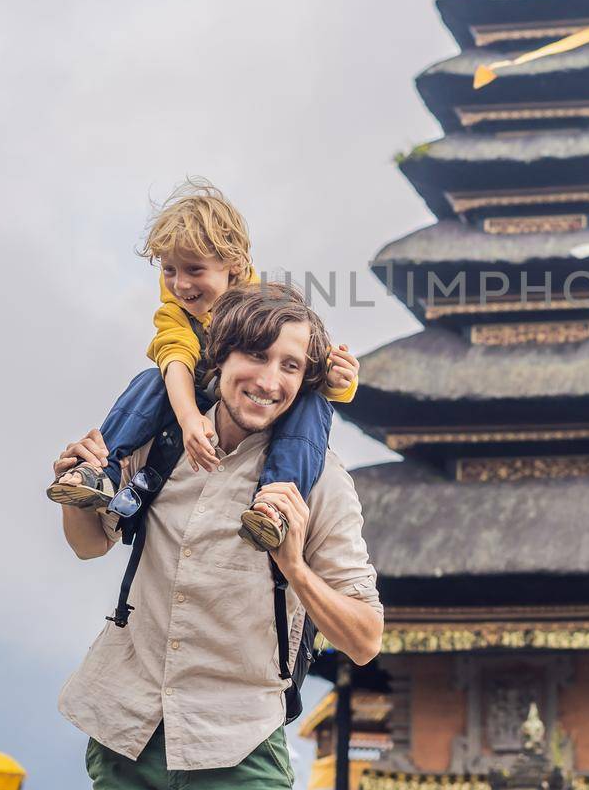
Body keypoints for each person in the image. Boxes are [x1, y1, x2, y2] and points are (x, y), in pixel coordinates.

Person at [55, 281, 383, 790]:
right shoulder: (162, 440)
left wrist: (294, 567)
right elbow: (90, 546)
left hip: (238, 750)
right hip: (127, 735)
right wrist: (75, 494)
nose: (269, 381)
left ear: (306, 382)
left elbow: (366, 639)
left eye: (290, 366)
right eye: (255, 355)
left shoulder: (318, 482)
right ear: (221, 354)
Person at [48, 179, 358, 551]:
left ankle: (275, 501)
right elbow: (175, 358)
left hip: (253, 406)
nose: (180, 284)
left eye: (194, 270)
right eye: (169, 270)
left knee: (313, 404)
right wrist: (189, 418)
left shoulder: (267, 308)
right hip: (197, 397)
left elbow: (295, 372)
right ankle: (99, 469)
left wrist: (339, 380)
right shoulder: (175, 311)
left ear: (234, 266)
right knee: (151, 379)